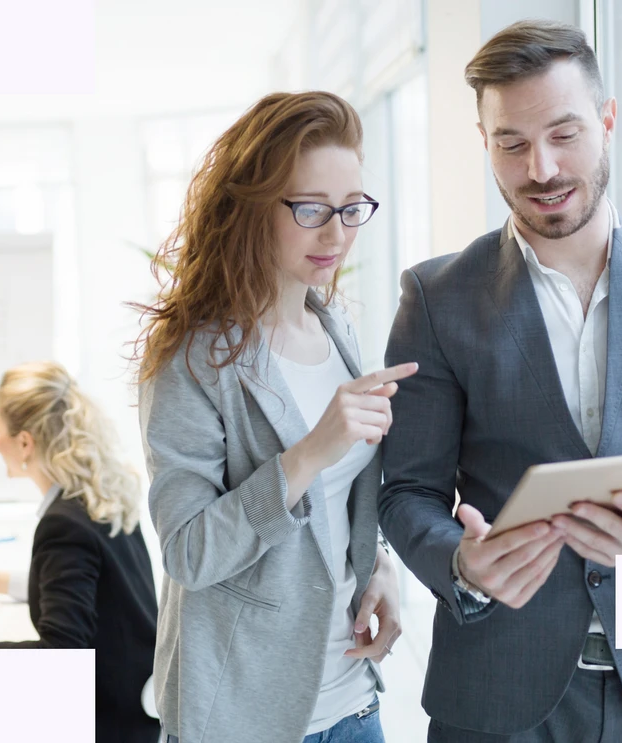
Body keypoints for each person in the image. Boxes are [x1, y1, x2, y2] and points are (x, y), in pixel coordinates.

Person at [378, 20, 622, 743]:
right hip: (497, 694)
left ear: (607, 120)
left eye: (564, 134)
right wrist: (460, 562)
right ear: (484, 142)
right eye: (512, 144)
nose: (542, 168)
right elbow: (407, 492)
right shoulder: (436, 299)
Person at [135, 90, 412, 743]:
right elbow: (188, 552)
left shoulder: (336, 327)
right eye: (311, 208)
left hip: (352, 704)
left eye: (351, 208)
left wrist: (378, 564)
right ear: (252, 205)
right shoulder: (193, 357)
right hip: (241, 717)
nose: (336, 234)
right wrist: (308, 453)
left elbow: (340, 501)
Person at [0, 361, 160, 743]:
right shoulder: (103, 494)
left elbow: (58, 655)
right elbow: (101, 586)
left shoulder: (63, 525)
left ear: (24, 442)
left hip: (103, 719)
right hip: (135, 703)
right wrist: (1, 581)